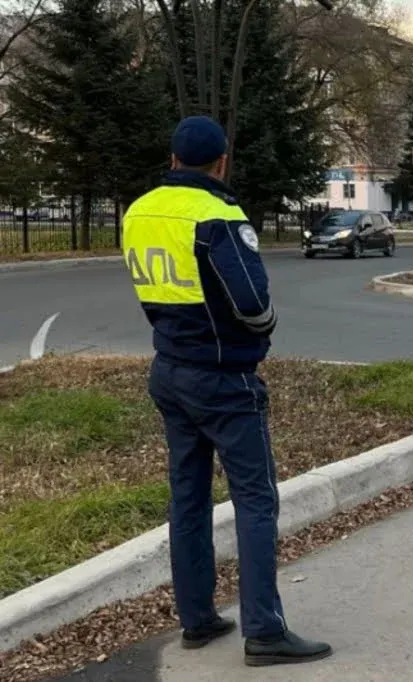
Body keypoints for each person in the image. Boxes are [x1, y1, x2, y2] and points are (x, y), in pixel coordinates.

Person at [122, 116, 332, 667]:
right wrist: (262, 328)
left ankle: (197, 617)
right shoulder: (220, 215)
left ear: (172, 160)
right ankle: (264, 629)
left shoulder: (138, 211)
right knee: (255, 498)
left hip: (169, 368)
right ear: (221, 163)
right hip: (225, 377)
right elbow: (252, 302)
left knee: (187, 496)